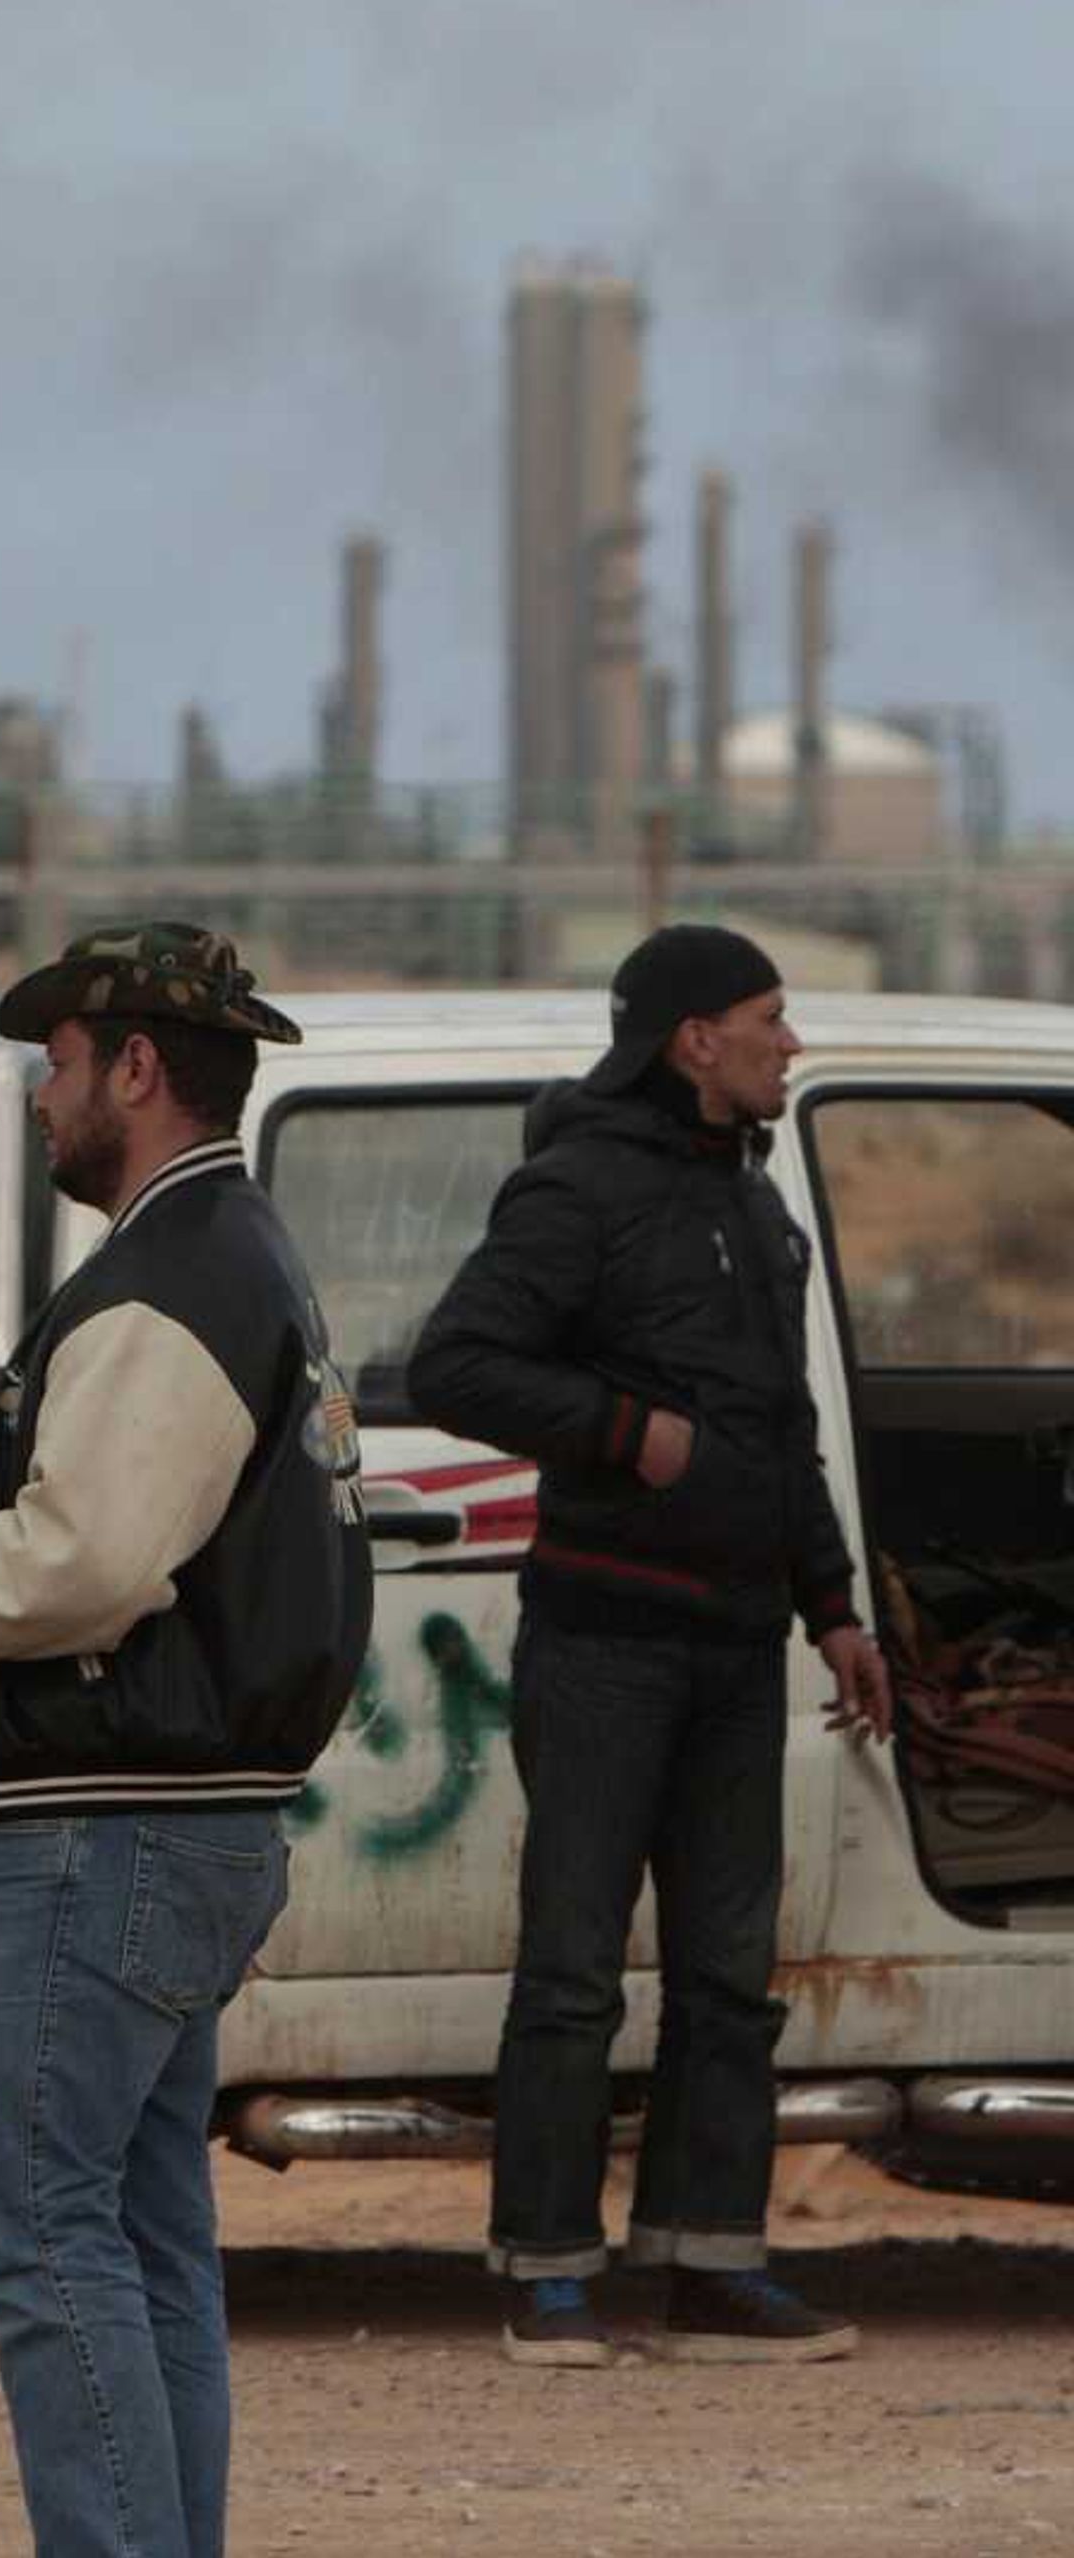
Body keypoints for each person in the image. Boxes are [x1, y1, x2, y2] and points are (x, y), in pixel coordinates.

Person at [0, 922, 370, 2558]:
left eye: (59, 1063)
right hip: (179, 1824)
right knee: (143, 2238)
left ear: (139, 1067)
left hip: (99, 1830)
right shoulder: (247, 1258)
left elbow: (87, 1561)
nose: (40, 1099)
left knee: (36, 2236)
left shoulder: (174, 1278)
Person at [410, 923, 888, 2368]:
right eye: (769, 1017)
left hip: (742, 1649)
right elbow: (459, 1361)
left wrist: (836, 1606)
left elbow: (781, 1432)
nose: (788, 1044)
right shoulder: (581, 1186)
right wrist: (628, 1430)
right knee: (572, 1970)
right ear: (695, 1038)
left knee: (731, 1975)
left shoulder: (753, 1200)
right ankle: (551, 2271)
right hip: (606, 1641)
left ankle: (710, 2266)